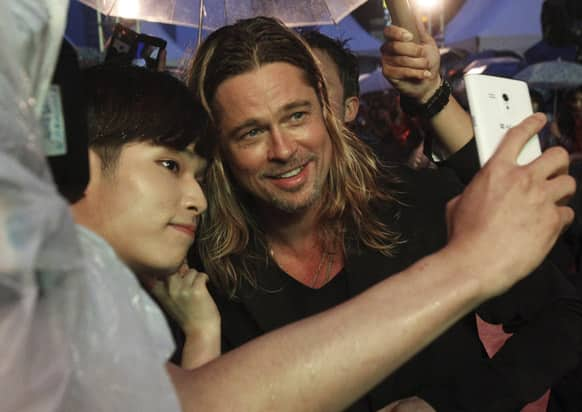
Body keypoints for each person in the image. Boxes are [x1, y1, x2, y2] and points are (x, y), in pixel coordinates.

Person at [183, 16, 582, 411]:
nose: (283, 149)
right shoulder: (197, 276)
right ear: (218, 147)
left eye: (296, 116)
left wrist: (448, 405)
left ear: (328, 111)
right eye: (251, 132)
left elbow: (565, 314)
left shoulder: (419, 201)